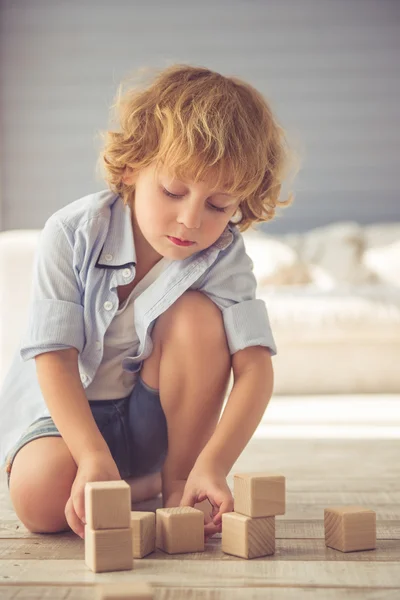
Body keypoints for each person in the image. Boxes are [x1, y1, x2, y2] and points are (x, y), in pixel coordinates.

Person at [0, 63, 298, 541]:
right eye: (173, 191)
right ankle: (129, 482)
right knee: (37, 501)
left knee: (200, 318)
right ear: (135, 165)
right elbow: (54, 358)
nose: (190, 220)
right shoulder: (71, 232)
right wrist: (92, 457)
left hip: (151, 422)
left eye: (218, 205)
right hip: (68, 419)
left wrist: (212, 464)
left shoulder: (224, 254)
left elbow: (256, 368)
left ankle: (176, 479)